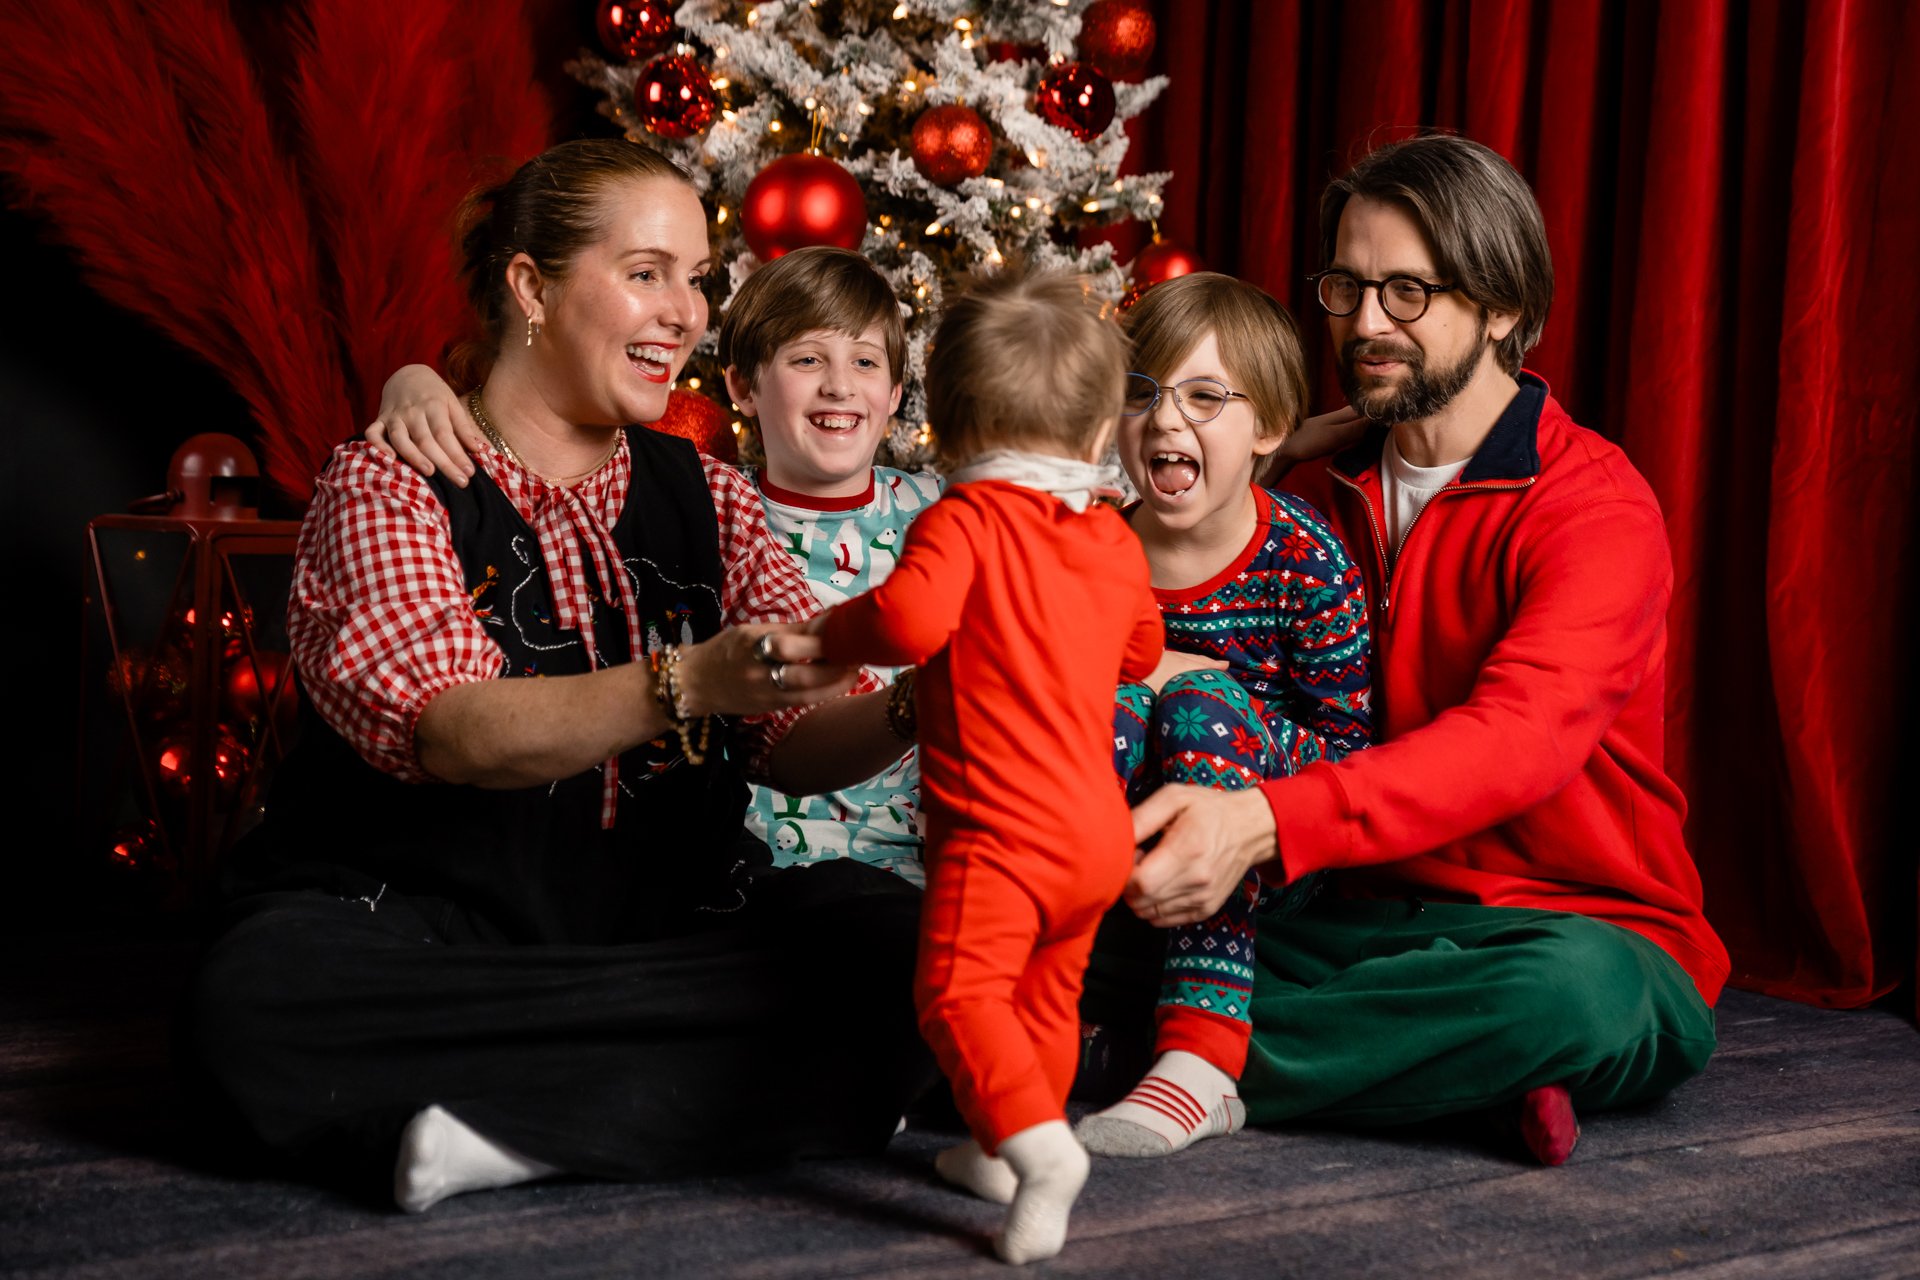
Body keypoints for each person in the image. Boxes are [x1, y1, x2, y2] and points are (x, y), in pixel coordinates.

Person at [185, 138, 931, 1214]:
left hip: (667, 929)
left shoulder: (710, 496)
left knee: (903, 942)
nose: (687, 310)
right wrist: (687, 681)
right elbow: (454, 730)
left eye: (697, 276)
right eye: (645, 273)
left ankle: (513, 1121)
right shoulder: (395, 479)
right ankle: (700, 1094)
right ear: (530, 286)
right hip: (427, 934)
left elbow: (796, 740)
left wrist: (913, 704)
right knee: (250, 1002)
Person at [1119, 132, 1729, 1165]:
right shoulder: (1302, 499)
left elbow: (1515, 741)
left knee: (1573, 999)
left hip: (1563, 924)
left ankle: (1106, 1054)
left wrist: (1262, 818)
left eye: (1408, 293)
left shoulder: (1593, 506)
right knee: (1119, 929)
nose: (1364, 323)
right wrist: (1291, 439)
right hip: (1334, 910)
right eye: (1346, 287)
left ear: (1500, 306)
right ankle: (1445, 1081)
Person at [371, 246, 940, 886]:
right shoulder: (711, 503)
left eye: (864, 362)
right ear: (742, 389)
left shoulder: (942, 514)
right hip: (755, 860)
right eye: (807, 359)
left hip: (911, 851)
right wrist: (412, 379)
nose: (838, 384)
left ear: (896, 392)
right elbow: (439, 724)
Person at [814, 269, 1163, 1264]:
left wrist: (834, 628)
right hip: (1095, 834)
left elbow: (910, 619)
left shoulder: (962, 522)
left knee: (958, 994)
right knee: (1045, 997)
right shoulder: (1108, 534)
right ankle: (1001, 1151)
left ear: (945, 422)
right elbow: (1140, 650)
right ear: (1101, 426)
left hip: (999, 835)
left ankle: (1039, 1148)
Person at [1073, 273, 1372, 1159]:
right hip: (1120, 849)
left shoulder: (1304, 557)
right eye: (1142, 393)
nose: (1166, 420)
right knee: (1114, 706)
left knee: (1201, 701)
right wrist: (1155, 673)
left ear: (1268, 432)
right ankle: (1035, 1005)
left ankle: (1202, 1059)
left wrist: (1195, 691)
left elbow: (1346, 750)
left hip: (1272, 848)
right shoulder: (1092, 545)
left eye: (1206, 398)